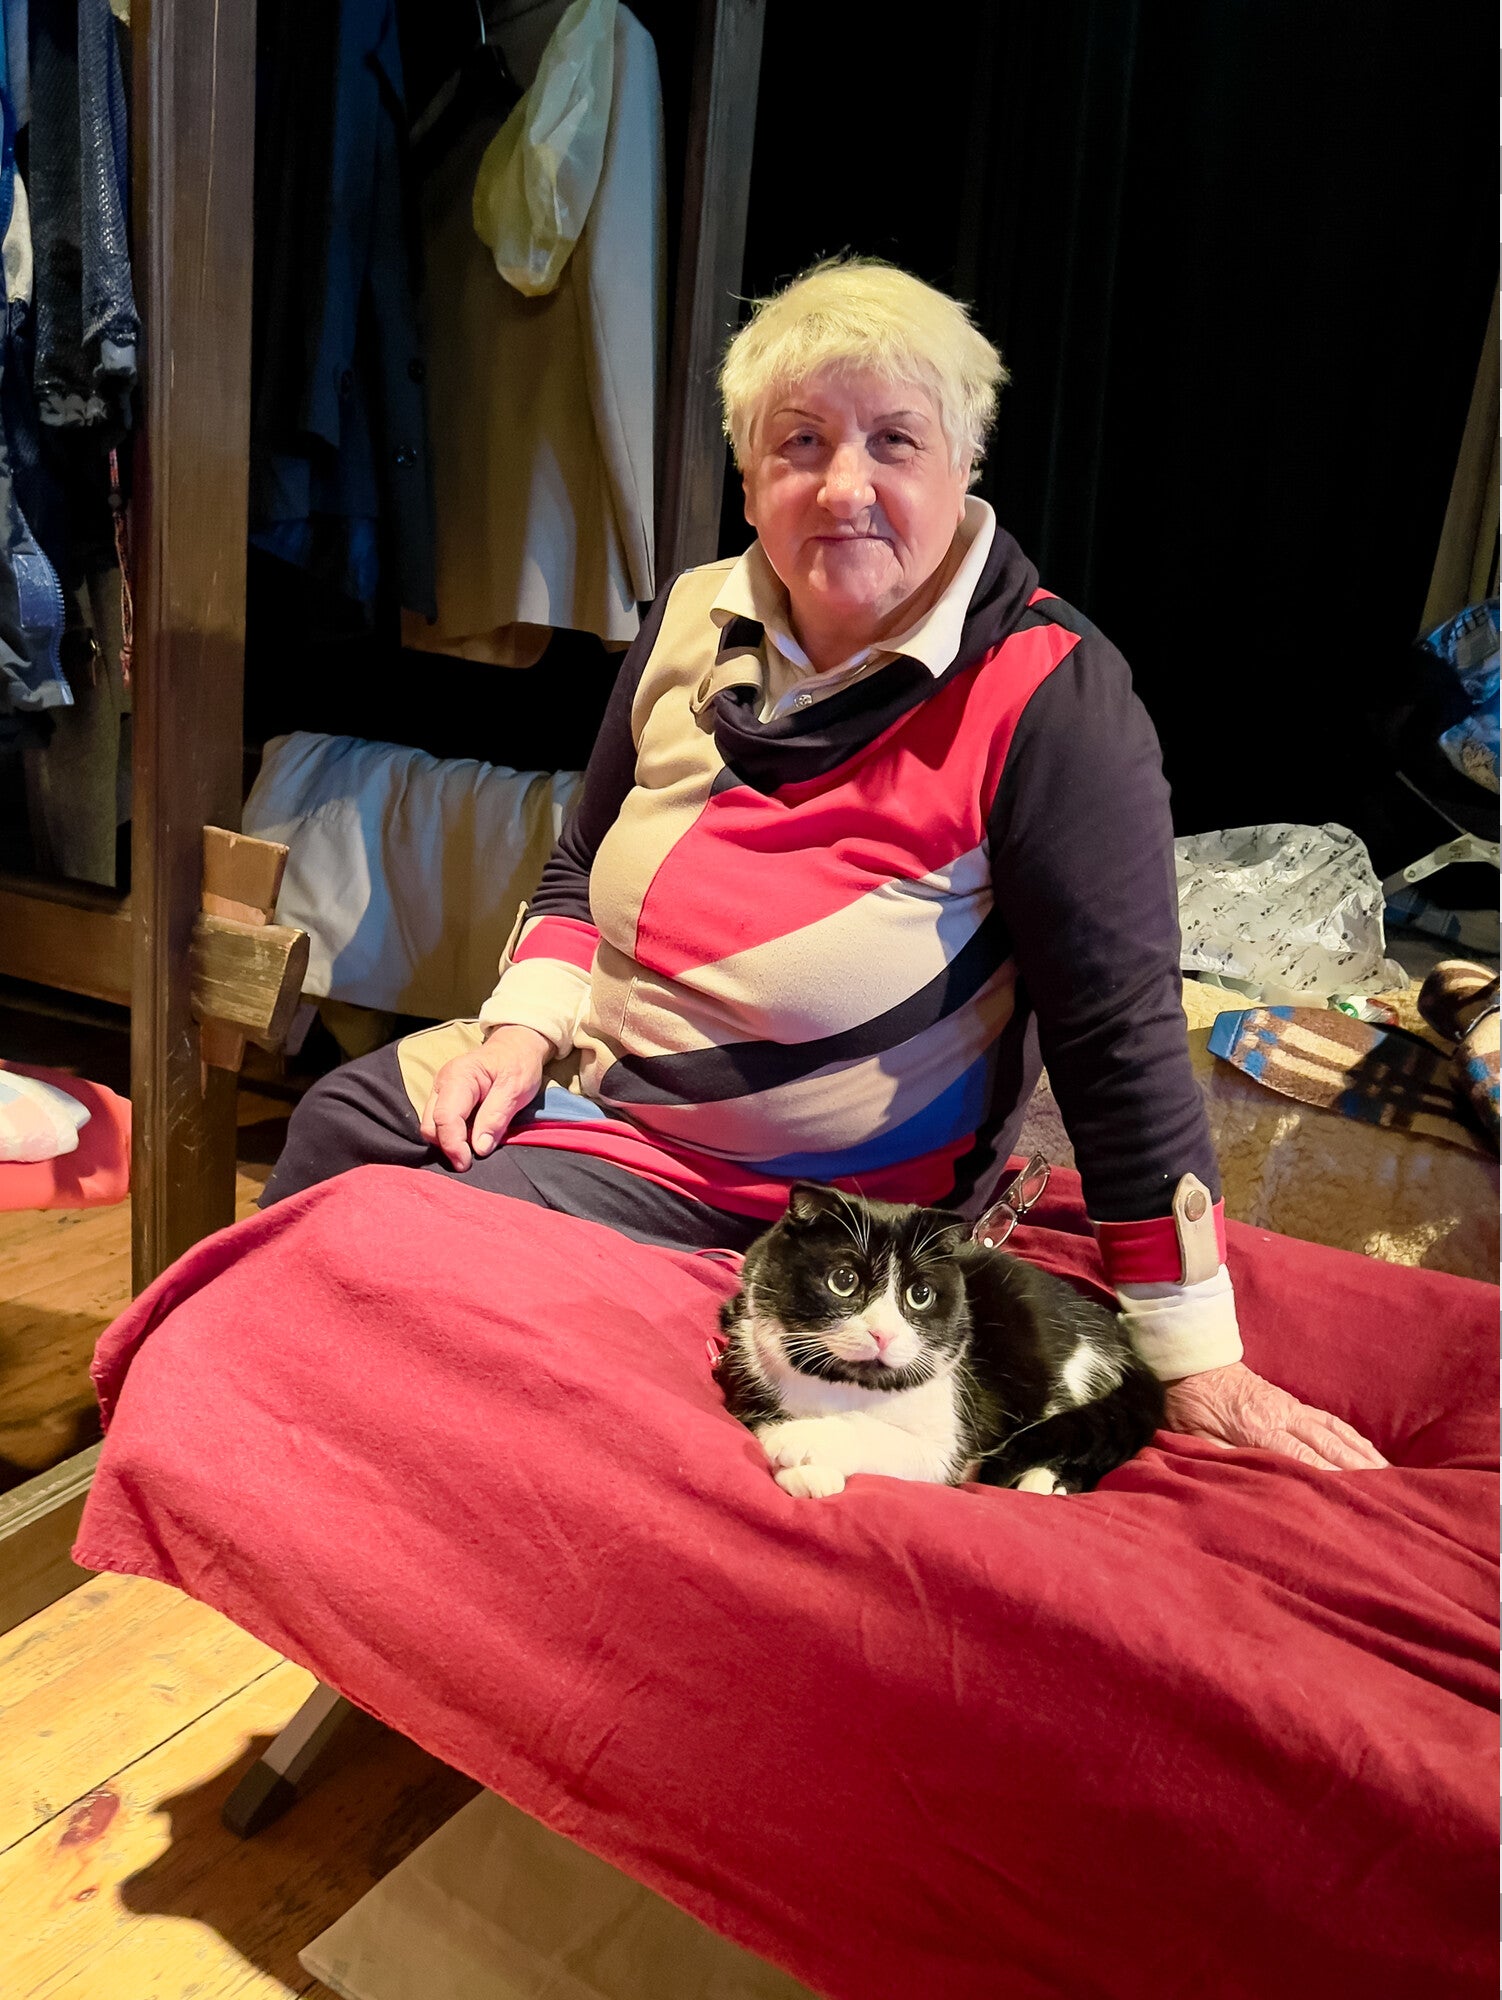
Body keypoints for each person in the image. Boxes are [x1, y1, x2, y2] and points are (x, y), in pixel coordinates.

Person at [265, 258, 1385, 1474]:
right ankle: (261, 1481)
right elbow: (580, 864)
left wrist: (1190, 1348)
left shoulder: (1051, 700)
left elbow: (1116, 1035)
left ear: (965, 459)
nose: (844, 485)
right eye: (800, 441)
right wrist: (519, 1033)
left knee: (410, 1245)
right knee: (337, 1125)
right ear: (750, 474)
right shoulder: (690, 616)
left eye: (893, 440)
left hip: (816, 1216)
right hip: (601, 1097)